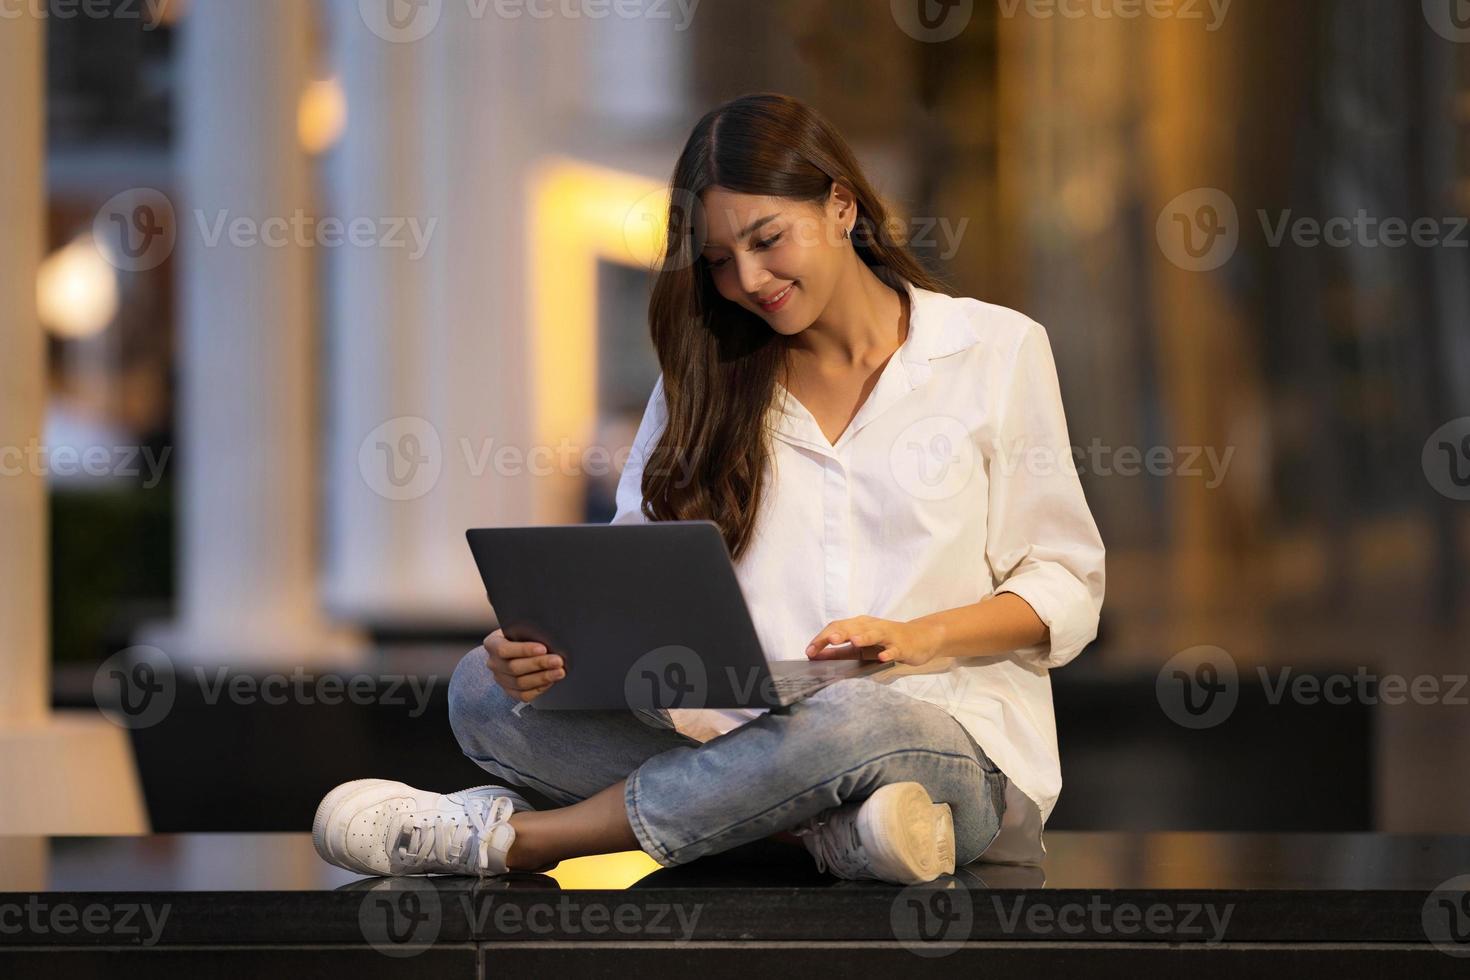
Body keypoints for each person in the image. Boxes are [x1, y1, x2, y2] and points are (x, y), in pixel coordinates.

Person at [313, 92, 1106, 886]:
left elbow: (1063, 582)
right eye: (720, 261)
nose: (750, 279)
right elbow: (631, 588)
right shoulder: (705, 379)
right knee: (482, 695)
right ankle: (833, 834)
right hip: (743, 741)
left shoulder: (994, 350)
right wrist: (553, 654)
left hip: (937, 747)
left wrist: (923, 636)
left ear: (840, 204)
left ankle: (517, 841)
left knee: (850, 717)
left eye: (767, 240)